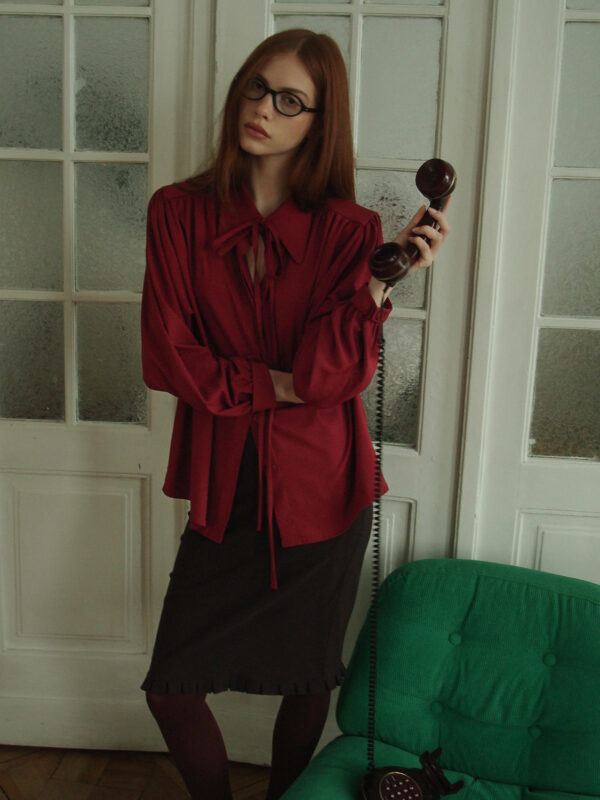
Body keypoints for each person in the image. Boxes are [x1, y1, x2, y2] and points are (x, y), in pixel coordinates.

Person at [140, 28, 450, 800]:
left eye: (290, 101)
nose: (264, 109)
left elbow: (327, 376)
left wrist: (379, 285)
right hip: (226, 485)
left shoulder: (352, 230)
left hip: (324, 488)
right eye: (257, 88)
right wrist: (275, 385)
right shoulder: (177, 212)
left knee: (308, 677)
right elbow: (169, 358)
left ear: (319, 121)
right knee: (172, 689)